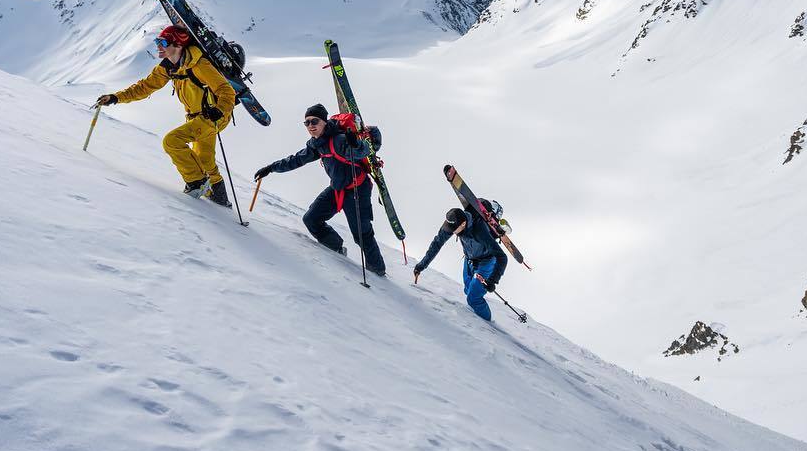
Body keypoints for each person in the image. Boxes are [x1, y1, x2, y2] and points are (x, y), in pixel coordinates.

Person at [97, 25, 236, 206]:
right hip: (196, 117)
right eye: (157, 41)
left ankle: (197, 183)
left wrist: (218, 110)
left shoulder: (200, 65)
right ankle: (219, 197)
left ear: (178, 45)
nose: (158, 46)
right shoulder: (168, 67)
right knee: (203, 158)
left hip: (214, 115)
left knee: (172, 141)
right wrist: (116, 97)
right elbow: (145, 87)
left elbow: (227, 91)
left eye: (162, 42)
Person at [253, 104, 387, 276]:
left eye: (314, 121)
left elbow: (364, 151)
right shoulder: (316, 144)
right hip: (337, 188)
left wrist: (355, 145)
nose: (310, 126)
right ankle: (336, 249)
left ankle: (378, 271)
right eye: (306, 123)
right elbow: (295, 160)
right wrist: (271, 168)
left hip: (357, 189)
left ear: (324, 121)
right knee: (311, 219)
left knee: (362, 234)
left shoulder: (338, 140)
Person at [413, 203, 508, 321]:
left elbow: (502, 257)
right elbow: (437, 244)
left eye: (453, 230)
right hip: (469, 259)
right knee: (468, 290)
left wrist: (493, 280)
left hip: (487, 262)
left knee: (474, 298)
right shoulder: (451, 224)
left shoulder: (480, 231)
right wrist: (421, 266)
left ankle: (489, 329)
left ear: (463, 224)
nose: (451, 232)